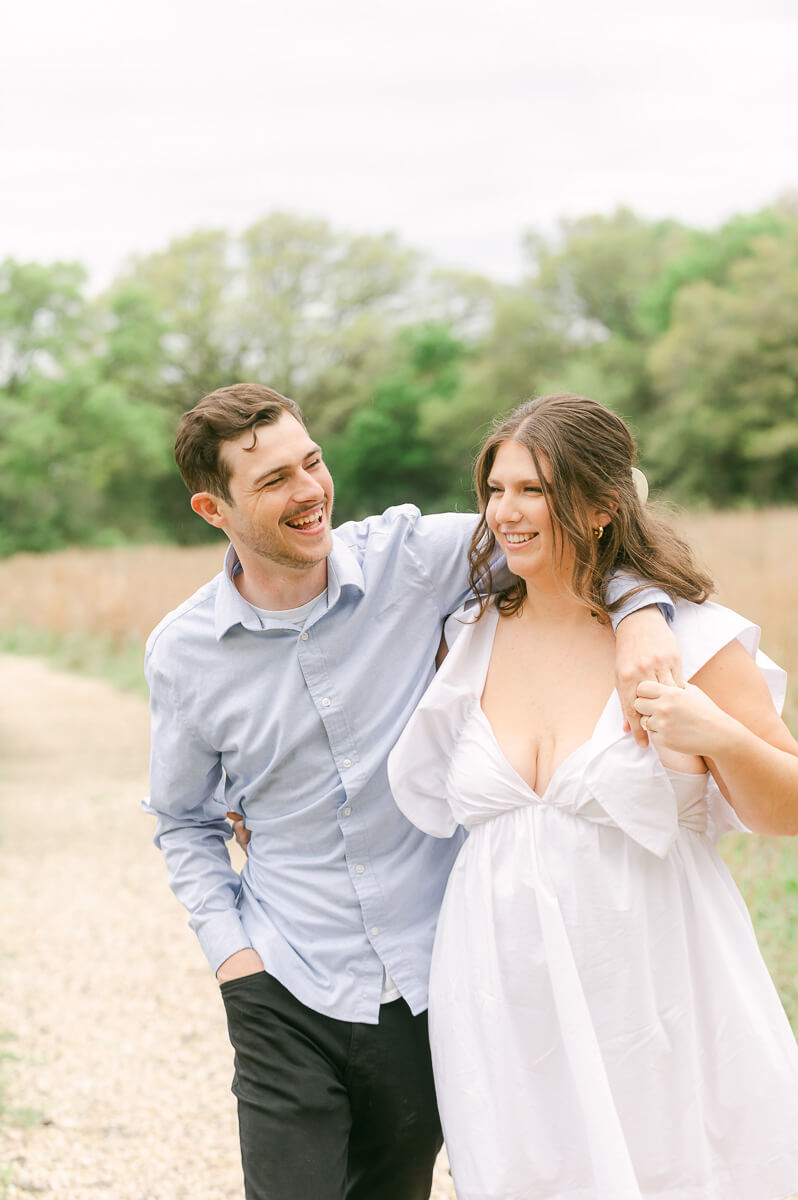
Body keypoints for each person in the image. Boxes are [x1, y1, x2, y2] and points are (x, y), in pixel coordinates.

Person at [143, 382, 680, 1200]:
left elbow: (578, 533)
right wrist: (234, 959)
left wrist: (641, 610)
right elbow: (182, 820)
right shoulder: (183, 653)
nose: (309, 491)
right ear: (213, 510)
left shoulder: (416, 558)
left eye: (311, 462)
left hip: (434, 978)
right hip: (285, 976)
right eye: (275, 481)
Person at [387, 392, 798, 1200]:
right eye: (496, 489)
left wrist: (715, 734)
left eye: (534, 490)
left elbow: (786, 808)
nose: (506, 512)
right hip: (501, 991)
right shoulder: (464, 634)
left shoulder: (692, 641)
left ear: (603, 504)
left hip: (657, 987)